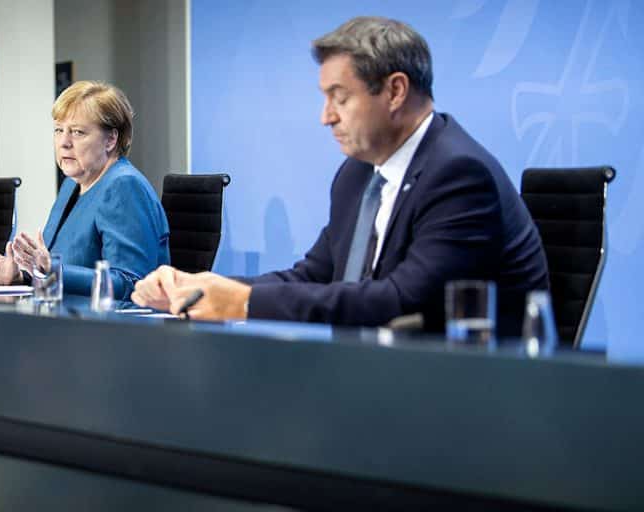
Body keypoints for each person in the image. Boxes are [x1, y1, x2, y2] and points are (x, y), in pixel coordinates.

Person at [131, 17, 548, 337]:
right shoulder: (357, 174)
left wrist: (243, 302)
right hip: (382, 383)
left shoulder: (458, 175)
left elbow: (401, 302)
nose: (326, 116)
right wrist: (205, 286)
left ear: (395, 91)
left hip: (471, 398)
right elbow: (312, 275)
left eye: (340, 98)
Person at [0, 81, 169, 301]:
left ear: (111, 139)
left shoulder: (125, 187)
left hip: (114, 329)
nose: (64, 142)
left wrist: (50, 268)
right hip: (68, 320)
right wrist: (21, 276)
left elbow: (132, 284)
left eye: (78, 132)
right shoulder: (71, 184)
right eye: (59, 130)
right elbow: (56, 270)